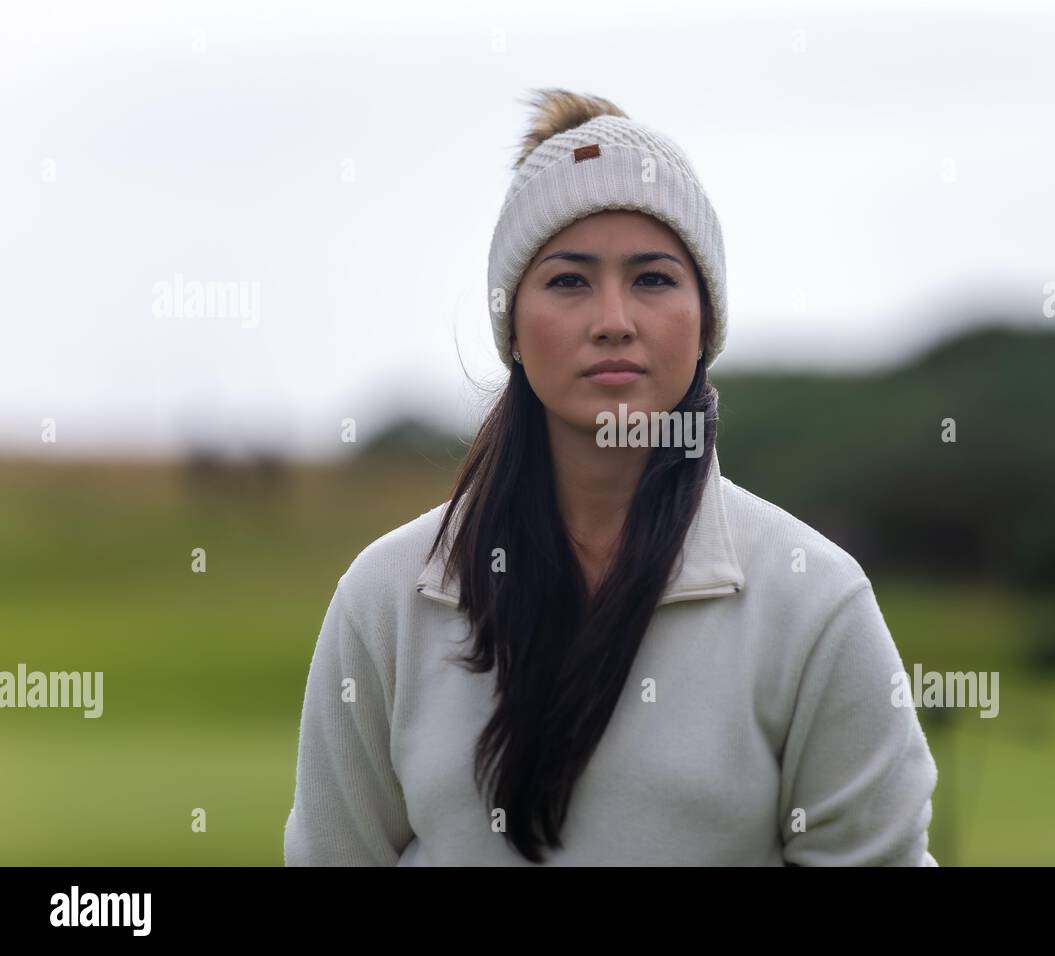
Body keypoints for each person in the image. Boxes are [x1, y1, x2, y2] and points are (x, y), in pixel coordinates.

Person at [285, 88, 939, 866]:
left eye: (654, 279)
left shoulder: (813, 599)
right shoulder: (390, 597)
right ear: (513, 327)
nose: (613, 319)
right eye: (568, 281)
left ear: (706, 322)